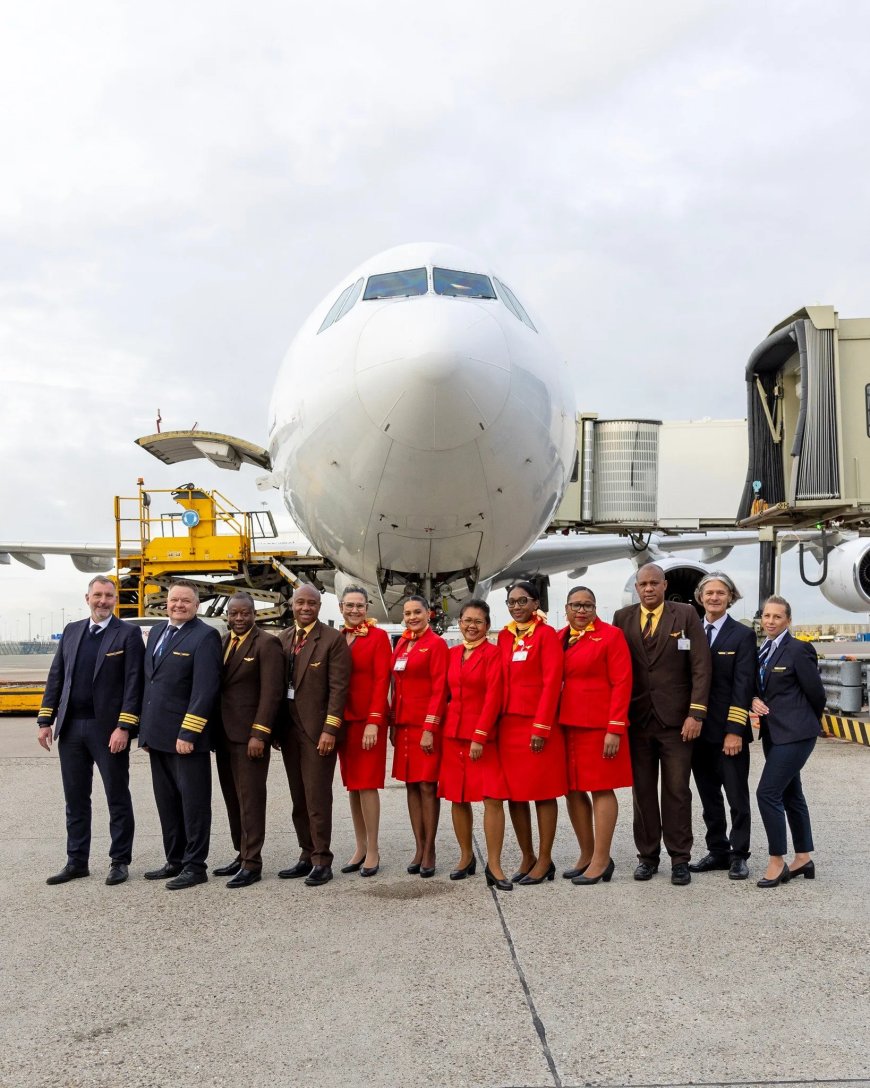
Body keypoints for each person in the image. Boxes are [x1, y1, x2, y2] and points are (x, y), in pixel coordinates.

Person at [36, 575, 144, 886]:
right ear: (87, 598)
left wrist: (124, 726)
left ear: (115, 600)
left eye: (109, 596)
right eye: (97, 595)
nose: (103, 601)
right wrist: (46, 721)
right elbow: (57, 677)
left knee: (117, 796)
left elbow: (134, 684)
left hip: (107, 729)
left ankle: (119, 860)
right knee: (76, 798)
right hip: (70, 729)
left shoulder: (128, 634)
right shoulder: (72, 632)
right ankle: (76, 861)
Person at [613, 563, 711, 886]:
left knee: (677, 791)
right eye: (643, 584)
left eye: (655, 583)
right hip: (638, 721)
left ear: (665, 585)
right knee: (642, 793)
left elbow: (700, 666)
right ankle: (648, 856)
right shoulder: (622, 618)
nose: (649, 588)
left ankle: (680, 858)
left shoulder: (685, 615)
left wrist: (696, 713)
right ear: (637, 587)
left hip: (677, 723)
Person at [138, 581, 222, 889]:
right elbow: (151, 686)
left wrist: (189, 732)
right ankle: (174, 859)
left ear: (196, 605)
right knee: (167, 802)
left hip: (187, 739)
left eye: (186, 601)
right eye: (174, 600)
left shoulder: (205, 636)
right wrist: (144, 733)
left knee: (194, 803)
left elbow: (205, 689)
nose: (178, 605)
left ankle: (195, 865)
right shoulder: (158, 633)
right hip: (157, 736)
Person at [277, 585, 352, 887]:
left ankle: (322, 859)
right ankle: (306, 854)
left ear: (320, 606)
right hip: (289, 731)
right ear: (291, 605)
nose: (305, 608)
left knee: (317, 797)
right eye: (300, 603)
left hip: (318, 732)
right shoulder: (282, 639)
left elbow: (339, 689)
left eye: (312, 603)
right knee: (298, 798)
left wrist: (330, 729)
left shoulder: (332, 640)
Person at [557, 585, 633, 887]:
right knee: (573, 790)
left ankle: (602, 859)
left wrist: (615, 727)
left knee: (601, 789)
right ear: (566, 609)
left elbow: (622, 682)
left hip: (599, 727)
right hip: (568, 726)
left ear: (595, 608)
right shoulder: (559, 637)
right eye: (575, 605)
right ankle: (586, 854)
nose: (581, 610)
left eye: (587, 605)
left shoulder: (611, 636)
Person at [752, 595, 826, 889]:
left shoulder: (798, 649)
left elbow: (816, 694)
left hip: (795, 733)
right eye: (766, 616)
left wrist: (804, 722)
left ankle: (776, 860)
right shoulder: (763, 651)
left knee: (766, 792)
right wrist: (754, 699)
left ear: (788, 621)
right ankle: (803, 857)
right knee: (791, 793)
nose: (770, 621)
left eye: (777, 617)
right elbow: (760, 687)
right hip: (774, 733)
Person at [212, 592, 285, 888]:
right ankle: (240, 853)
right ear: (227, 615)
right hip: (224, 734)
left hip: (250, 737)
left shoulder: (267, 643)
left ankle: (253, 862)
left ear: (255, 614)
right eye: (234, 614)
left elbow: (272, 693)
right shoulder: (223, 642)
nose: (239, 619)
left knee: (251, 799)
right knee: (232, 798)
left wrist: (260, 733)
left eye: (245, 614)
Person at [439, 599, 512, 890]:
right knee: (458, 797)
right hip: (453, 734)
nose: (471, 626)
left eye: (478, 621)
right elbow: (443, 693)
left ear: (487, 626)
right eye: (467, 620)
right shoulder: (452, 653)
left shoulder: (493, 654)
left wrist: (479, 735)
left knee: (492, 798)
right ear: (459, 622)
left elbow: (494, 696)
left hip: (482, 737)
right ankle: (466, 857)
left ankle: (494, 865)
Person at [496, 581, 566, 885]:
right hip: (508, 726)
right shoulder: (503, 636)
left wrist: (542, 725)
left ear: (535, 604)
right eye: (511, 602)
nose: (516, 606)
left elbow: (552, 682)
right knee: (515, 794)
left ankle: (546, 858)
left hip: (536, 725)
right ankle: (527, 855)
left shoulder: (546, 635)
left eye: (522, 601)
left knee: (542, 792)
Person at [688, 572, 756, 881]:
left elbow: (743, 686)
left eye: (721, 593)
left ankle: (739, 854)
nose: (714, 597)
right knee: (708, 796)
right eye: (709, 592)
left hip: (728, 732)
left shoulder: (741, 634)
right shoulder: (689, 633)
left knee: (737, 796)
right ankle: (717, 850)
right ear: (700, 597)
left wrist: (734, 731)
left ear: (730, 597)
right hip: (697, 732)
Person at [390, 595, 449, 877]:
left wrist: (429, 728)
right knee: (411, 786)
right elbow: (395, 686)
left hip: (425, 727)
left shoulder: (435, 645)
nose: (412, 617)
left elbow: (440, 690)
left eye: (417, 612)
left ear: (429, 614)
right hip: (403, 725)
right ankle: (418, 846)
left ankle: (430, 849)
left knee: (427, 786)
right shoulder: (402, 643)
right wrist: (392, 724)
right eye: (408, 613)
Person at [336, 585, 391, 877]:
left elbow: (383, 680)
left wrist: (374, 720)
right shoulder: (338, 637)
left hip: (368, 723)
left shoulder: (378, 637)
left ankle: (374, 849)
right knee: (353, 787)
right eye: (349, 605)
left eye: (360, 606)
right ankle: (360, 846)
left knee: (368, 785)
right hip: (345, 722)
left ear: (367, 608)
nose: (355, 610)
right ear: (341, 607)